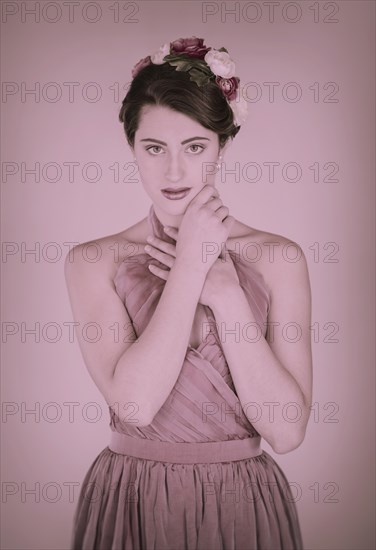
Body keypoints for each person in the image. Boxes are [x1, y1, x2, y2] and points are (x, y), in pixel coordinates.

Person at [65, 36, 312, 550]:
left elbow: (287, 433)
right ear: (131, 147)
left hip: (245, 501)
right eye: (154, 148)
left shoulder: (279, 258)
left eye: (194, 147)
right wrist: (191, 267)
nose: (173, 172)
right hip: (131, 498)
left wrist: (226, 295)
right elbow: (135, 406)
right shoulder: (92, 262)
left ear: (223, 145)